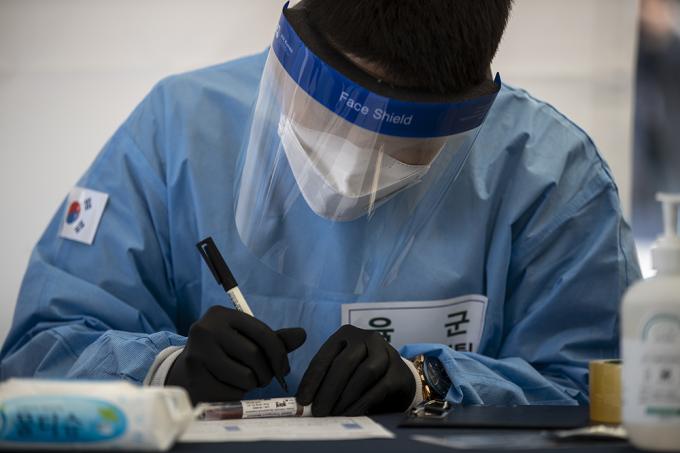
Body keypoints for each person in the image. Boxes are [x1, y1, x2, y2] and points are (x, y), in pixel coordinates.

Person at [0, 0, 640, 416]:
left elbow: (604, 391)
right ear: (291, 49)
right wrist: (167, 372)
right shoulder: (177, 132)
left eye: (401, 141)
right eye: (332, 116)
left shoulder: (551, 175)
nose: (355, 165)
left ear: (465, 112)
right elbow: (40, 357)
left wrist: (430, 384)